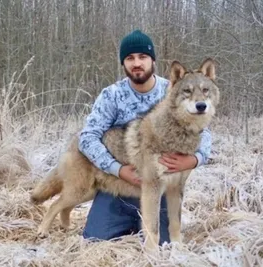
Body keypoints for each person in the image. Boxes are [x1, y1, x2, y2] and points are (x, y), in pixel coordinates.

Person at [78, 29, 212, 245]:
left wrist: (194, 159)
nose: (136, 63)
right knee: (94, 240)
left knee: (165, 244)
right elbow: (87, 138)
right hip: (119, 185)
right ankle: (126, 222)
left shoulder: (173, 90)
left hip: (159, 186)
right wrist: (118, 170)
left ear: (153, 60)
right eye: (130, 58)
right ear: (124, 64)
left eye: (142, 57)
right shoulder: (111, 95)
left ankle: (144, 228)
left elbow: (203, 132)